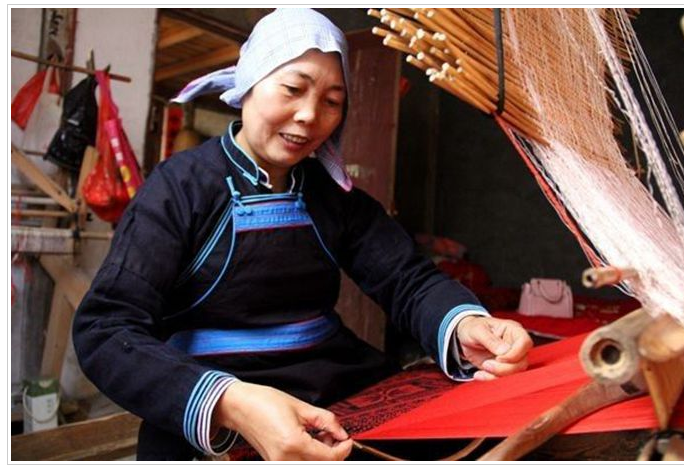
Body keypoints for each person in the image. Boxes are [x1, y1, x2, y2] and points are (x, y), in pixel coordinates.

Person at [73, 8, 532, 461]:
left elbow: (407, 280)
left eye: (332, 101)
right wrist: (229, 402)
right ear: (250, 82)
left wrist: (465, 326)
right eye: (293, 89)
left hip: (332, 380)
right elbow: (106, 329)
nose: (310, 115)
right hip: (216, 394)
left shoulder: (332, 197)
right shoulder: (179, 187)